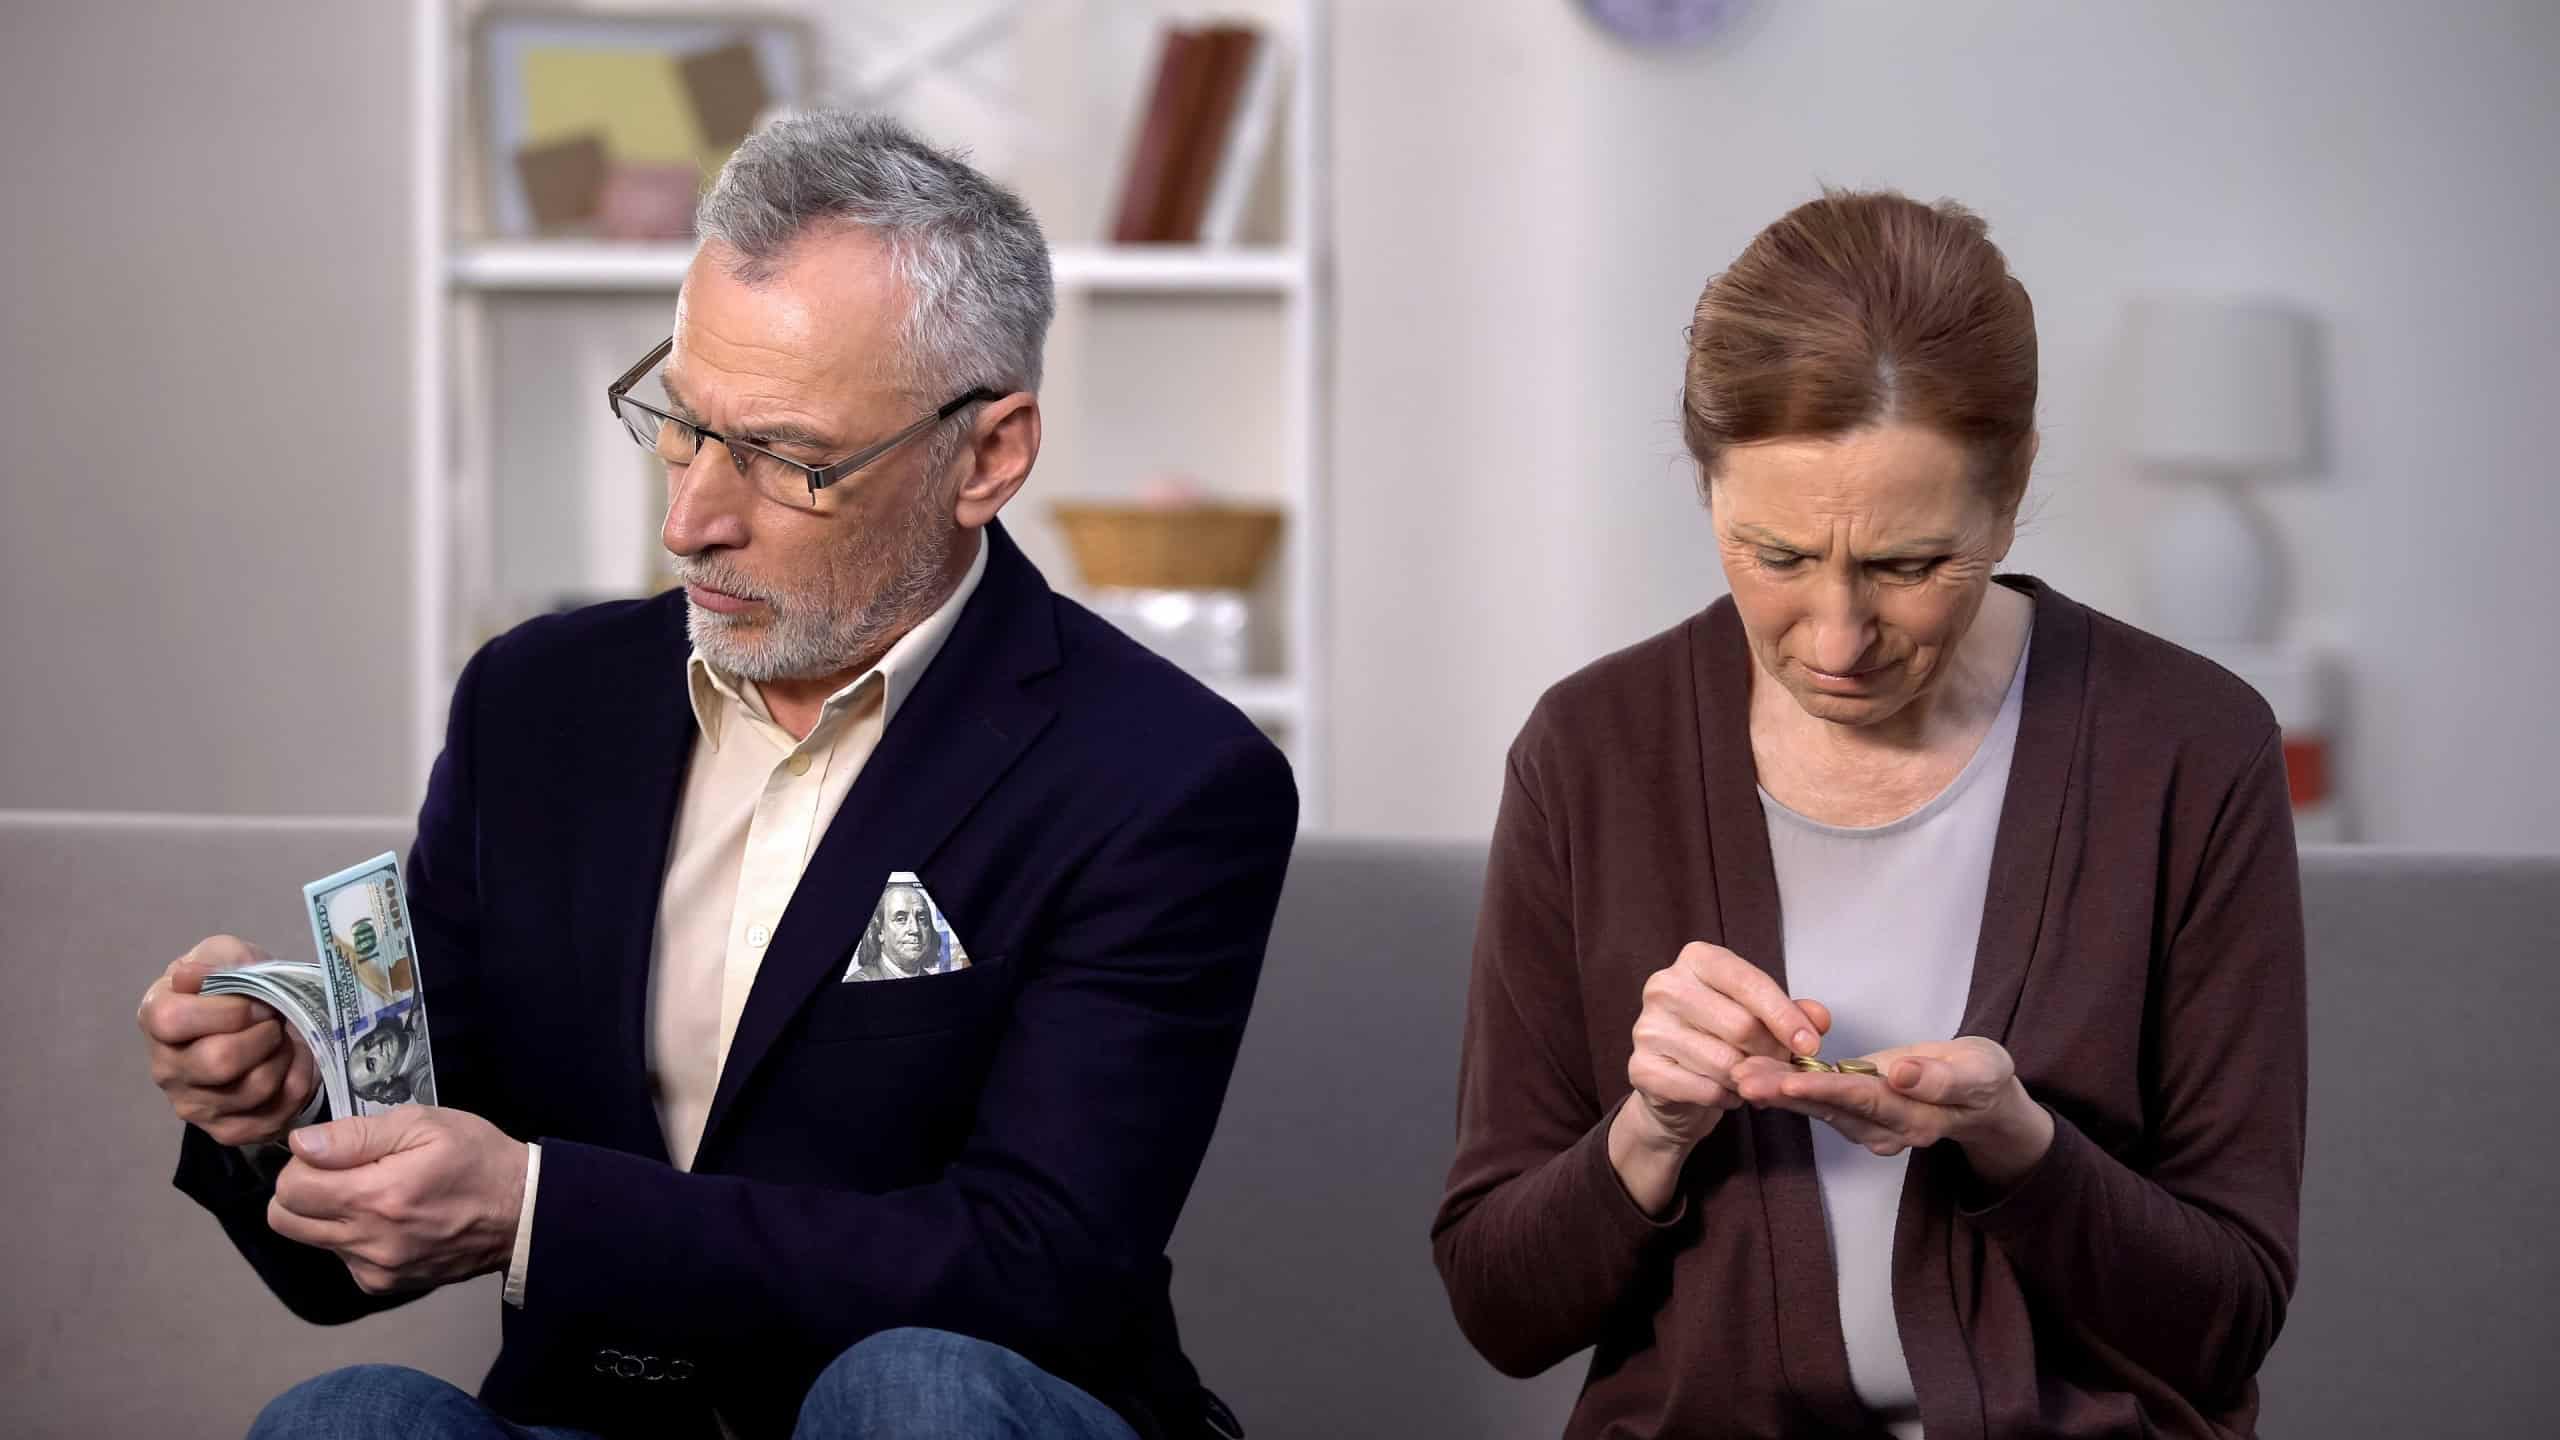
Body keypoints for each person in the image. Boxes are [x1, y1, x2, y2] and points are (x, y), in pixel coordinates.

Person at [134, 112, 1297, 1440]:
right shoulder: (535, 706)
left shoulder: (1169, 779)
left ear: (989, 456)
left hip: (955, 1412)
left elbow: (1038, 1268)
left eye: (789, 461)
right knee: (347, 1419)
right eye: (683, 427)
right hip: (608, 1414)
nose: (691, 519)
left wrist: (538, 1211)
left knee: (904, 1393)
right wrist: (283, 1123)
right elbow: (353, 1263)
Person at [1432, 191, 2305, 1439]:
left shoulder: (2189, 749)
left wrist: (2016, 1142)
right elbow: (1499, 1312)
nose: (1836, 640)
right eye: (1774, 557)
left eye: (1907, 566)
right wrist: (1646, 1132)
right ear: (1706, 491)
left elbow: (2225, 1322)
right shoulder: (1589, 750)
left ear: (2007, 501)